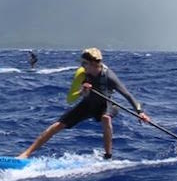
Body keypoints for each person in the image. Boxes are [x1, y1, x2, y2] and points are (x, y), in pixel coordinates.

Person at [18, 47, 150, 160]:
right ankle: (25, 154)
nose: (81, 66)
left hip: (107, 104)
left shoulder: (109, 76)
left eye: (84, 63)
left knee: (105, 117)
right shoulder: (81, 74)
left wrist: (140, 112)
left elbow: (128, 95)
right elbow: (70, 99)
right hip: (88, 103)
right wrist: (82, 91)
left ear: (93, 64)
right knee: (57, 125)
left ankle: (108, 156)